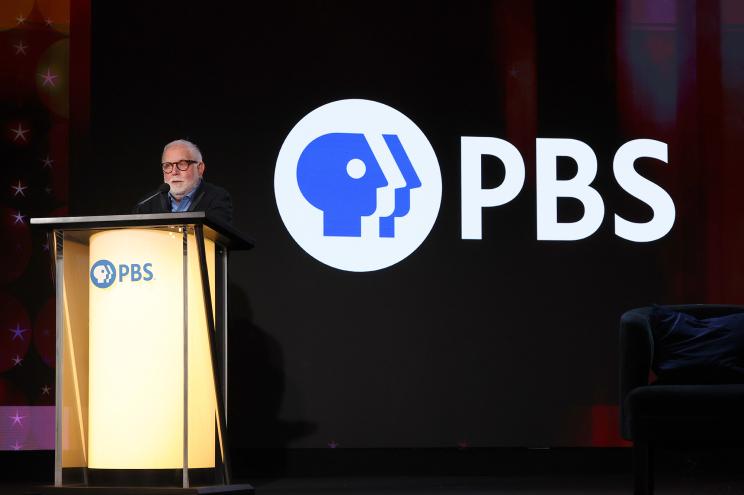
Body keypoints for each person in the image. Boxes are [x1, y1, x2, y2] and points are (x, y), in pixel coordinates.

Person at [133, 139, 233, 224]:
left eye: (182, 164)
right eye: (167, 165)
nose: (174, 172)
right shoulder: (147, 204)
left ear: (200, 168)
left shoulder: (216, 198)